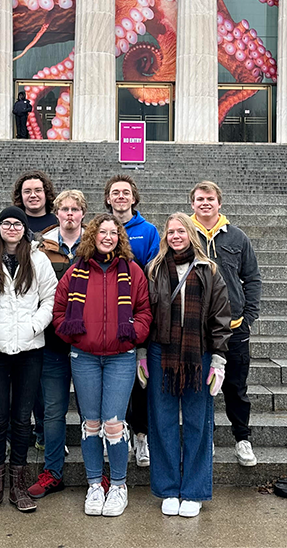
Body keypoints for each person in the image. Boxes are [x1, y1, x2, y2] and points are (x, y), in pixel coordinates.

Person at [53, 214, 152, 518]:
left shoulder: (133, 271)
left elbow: (145, 311)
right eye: (102, 231)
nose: (107, 236)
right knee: (91, 424)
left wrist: (132, 335)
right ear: (92, 235)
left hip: (121, 357)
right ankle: (95, 484)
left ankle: (119, 486)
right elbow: (59, 311)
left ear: (119, 237)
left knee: (114, 424)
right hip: (85, 358)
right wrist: (75, 334)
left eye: (113, 232)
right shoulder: (76, 271)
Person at [141, 213, 231, 517]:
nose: (175, 236)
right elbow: (143, 313)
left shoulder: (209, 270)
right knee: (162, 421)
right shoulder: (153, 269)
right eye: (170, 232)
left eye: (181, 231)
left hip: (198, 354)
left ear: (192, 233)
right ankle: (167, 488)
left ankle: (194, 490)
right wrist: (141, 353)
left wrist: (218, 359)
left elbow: (221, 317)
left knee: (198, 422)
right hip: (160, 352)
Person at [0, 207, 57, 514]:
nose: (12, 228)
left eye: (18, 223)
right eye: (6, 223)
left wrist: (35, 325)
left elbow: (51, 297)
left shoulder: (38, 258)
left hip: (30, 348)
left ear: (26, 228)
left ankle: (18, 483)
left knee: (23, 419)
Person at [189, 181, 261, 467]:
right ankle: (206, 440)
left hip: (234, 326)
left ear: (219, 203)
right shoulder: (184, 233)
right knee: (199, 387)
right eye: (199, 199)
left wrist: (250, 314)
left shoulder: (237, 237)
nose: (204, 203)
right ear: (192, 204)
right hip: (197, 327)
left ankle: (242, 439)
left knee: (235, 386)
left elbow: (252, 278)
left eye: (210, 199)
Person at [28, 189, 87, 498]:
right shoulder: (41, 245)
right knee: (53, 410)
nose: (69, 214)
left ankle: (99, 473)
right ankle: (53, 471)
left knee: (94, 413)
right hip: (52, 342)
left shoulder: (96, 243)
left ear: (82, 214)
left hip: (89, 343)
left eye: (74, 209)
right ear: (56, 212)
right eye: (63, 208)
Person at [103, 174, 160, 467]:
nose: (121, 197)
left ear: (134, 198)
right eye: (116, 192)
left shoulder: (148, 231)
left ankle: (141, 437)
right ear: (108, 198)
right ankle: (117, 431)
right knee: (112, 383)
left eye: (126, 192)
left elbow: (153, 272)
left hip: (137, 318)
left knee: (140, 382)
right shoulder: (100, 229)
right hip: (105, 320)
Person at [12, 170, 58, 235]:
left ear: (46, 193)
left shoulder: (58, 222)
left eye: (38, 190)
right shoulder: (12, 225)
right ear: (20, 195)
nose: (33, 195)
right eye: (27, 191)